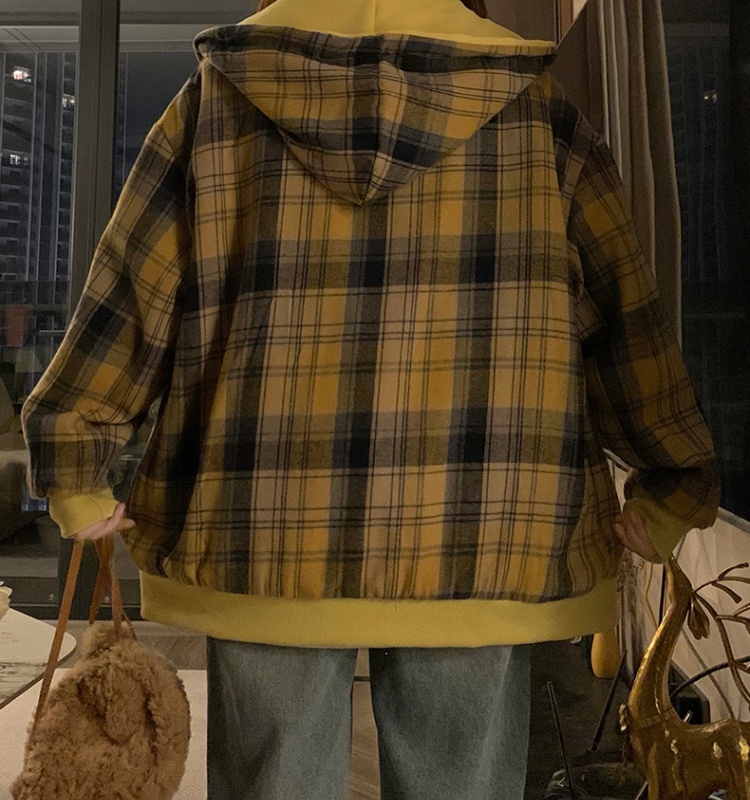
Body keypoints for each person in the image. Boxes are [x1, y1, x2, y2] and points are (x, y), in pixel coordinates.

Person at [22, 0, 719, 797]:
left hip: (264, 531)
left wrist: (76, 457)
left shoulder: (214, 106)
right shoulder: (539, 118)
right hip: (486, 526)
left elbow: (130, 294)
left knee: (274, 783)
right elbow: (625, 315)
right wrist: (672, 482)